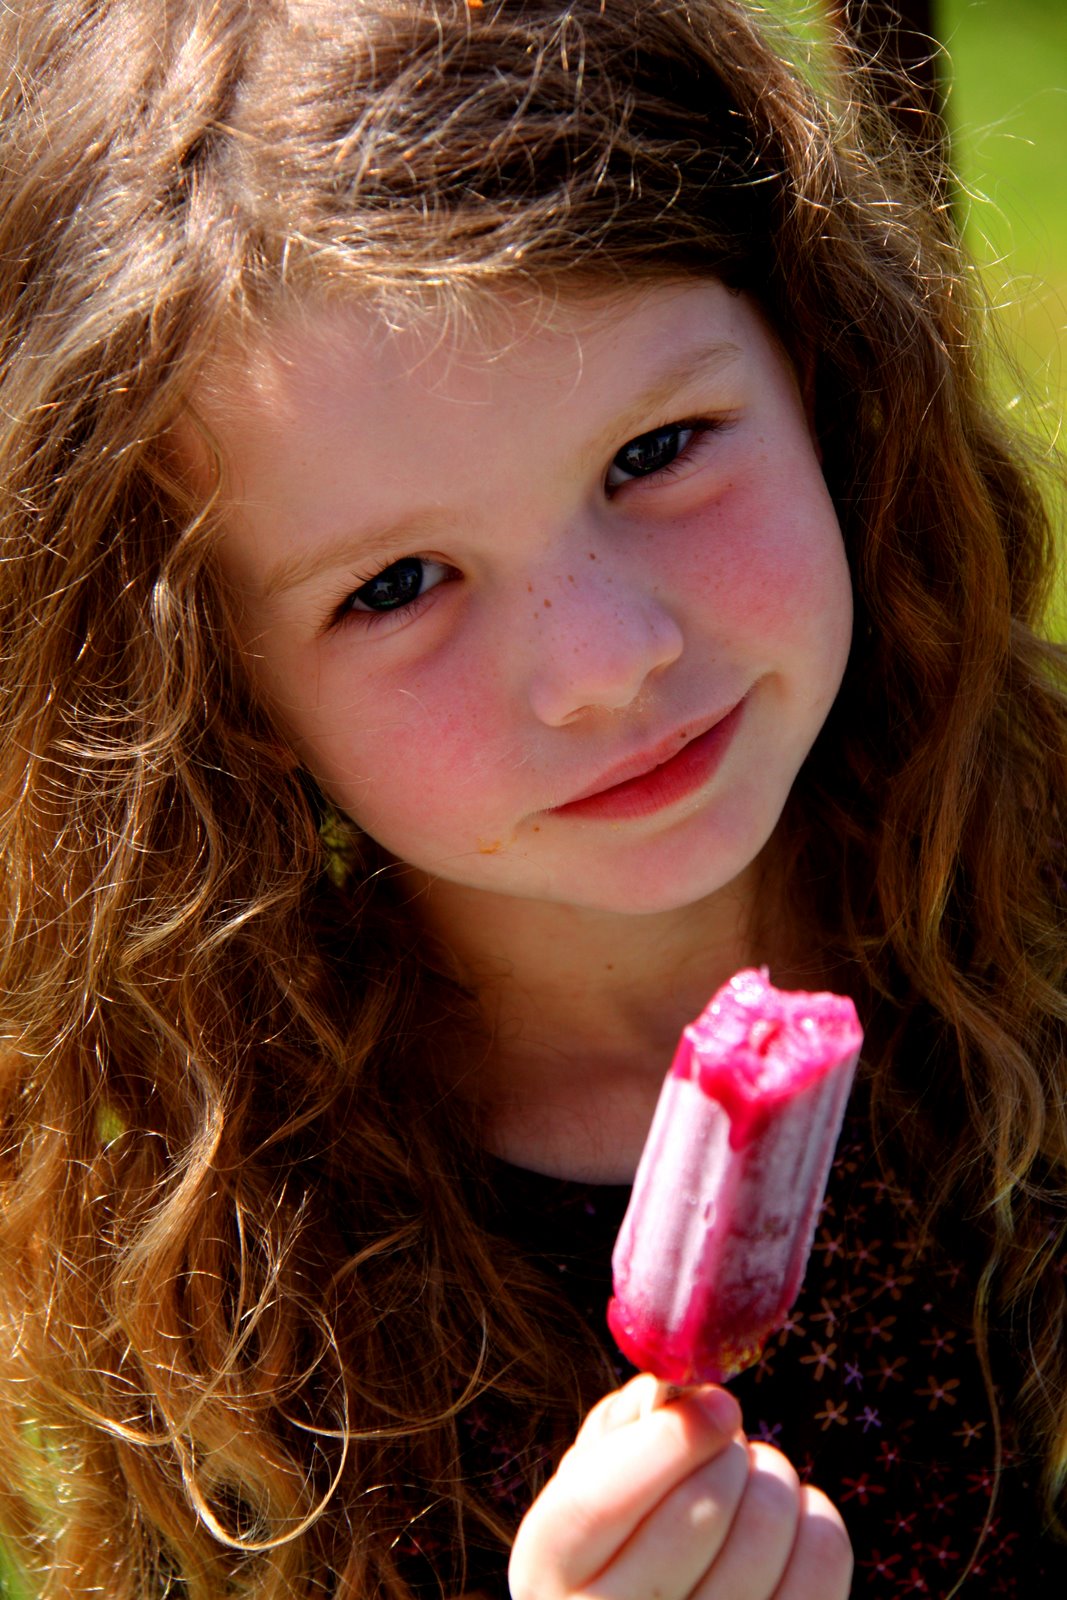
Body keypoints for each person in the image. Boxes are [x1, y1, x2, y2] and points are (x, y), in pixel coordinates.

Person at [0, 1, 1064, 1596]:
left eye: (658, 450)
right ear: (225, 696)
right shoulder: (249, 1280)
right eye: (401, 583)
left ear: (826, 375)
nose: (606, 662)